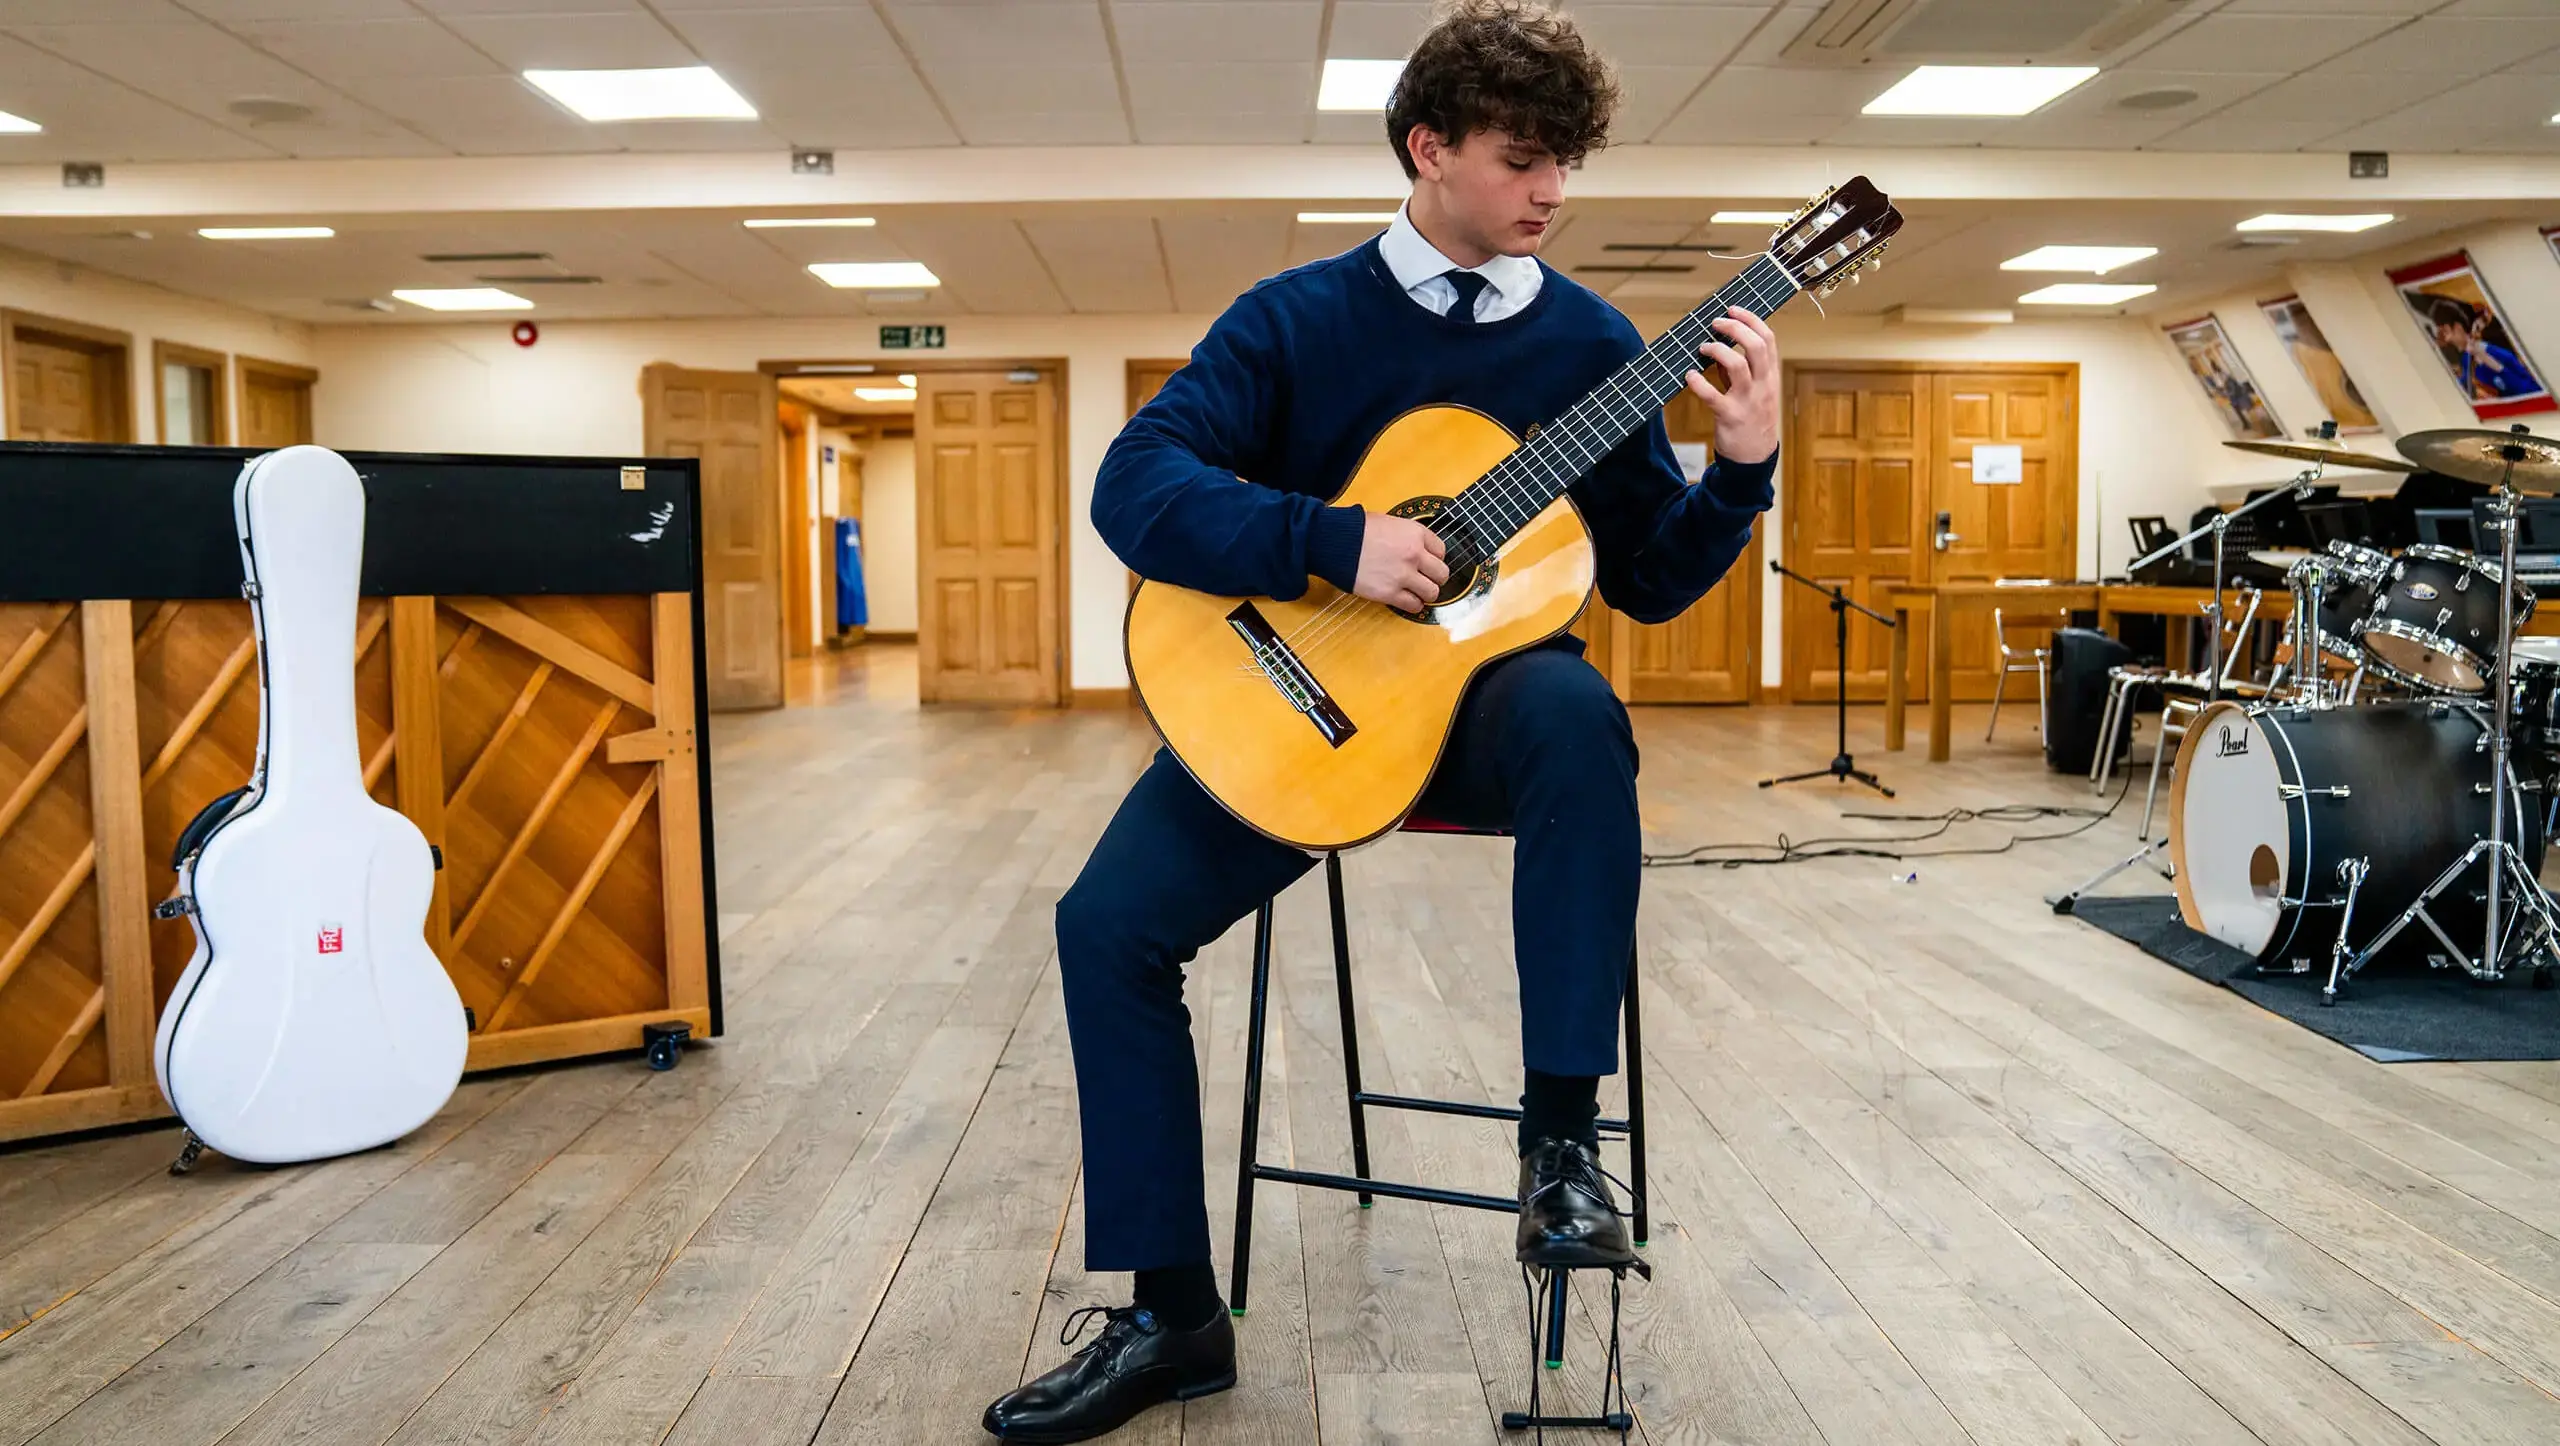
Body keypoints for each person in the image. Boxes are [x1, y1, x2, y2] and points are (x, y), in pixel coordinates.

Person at [980, 4, 1778, 1440]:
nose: (1552, 192)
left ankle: (1560, 1148)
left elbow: (1650, 581)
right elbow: (1133, 487)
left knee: (1578, 708)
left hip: (1486, 716)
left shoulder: (1596, 346)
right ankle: (1172, 1314)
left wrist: (1740, 469)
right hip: (1302, 698)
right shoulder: (1294, 318)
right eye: (1526, 158)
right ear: (1430, 147)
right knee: (1105, 928)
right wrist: (1327, 540)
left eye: (1567, 165)